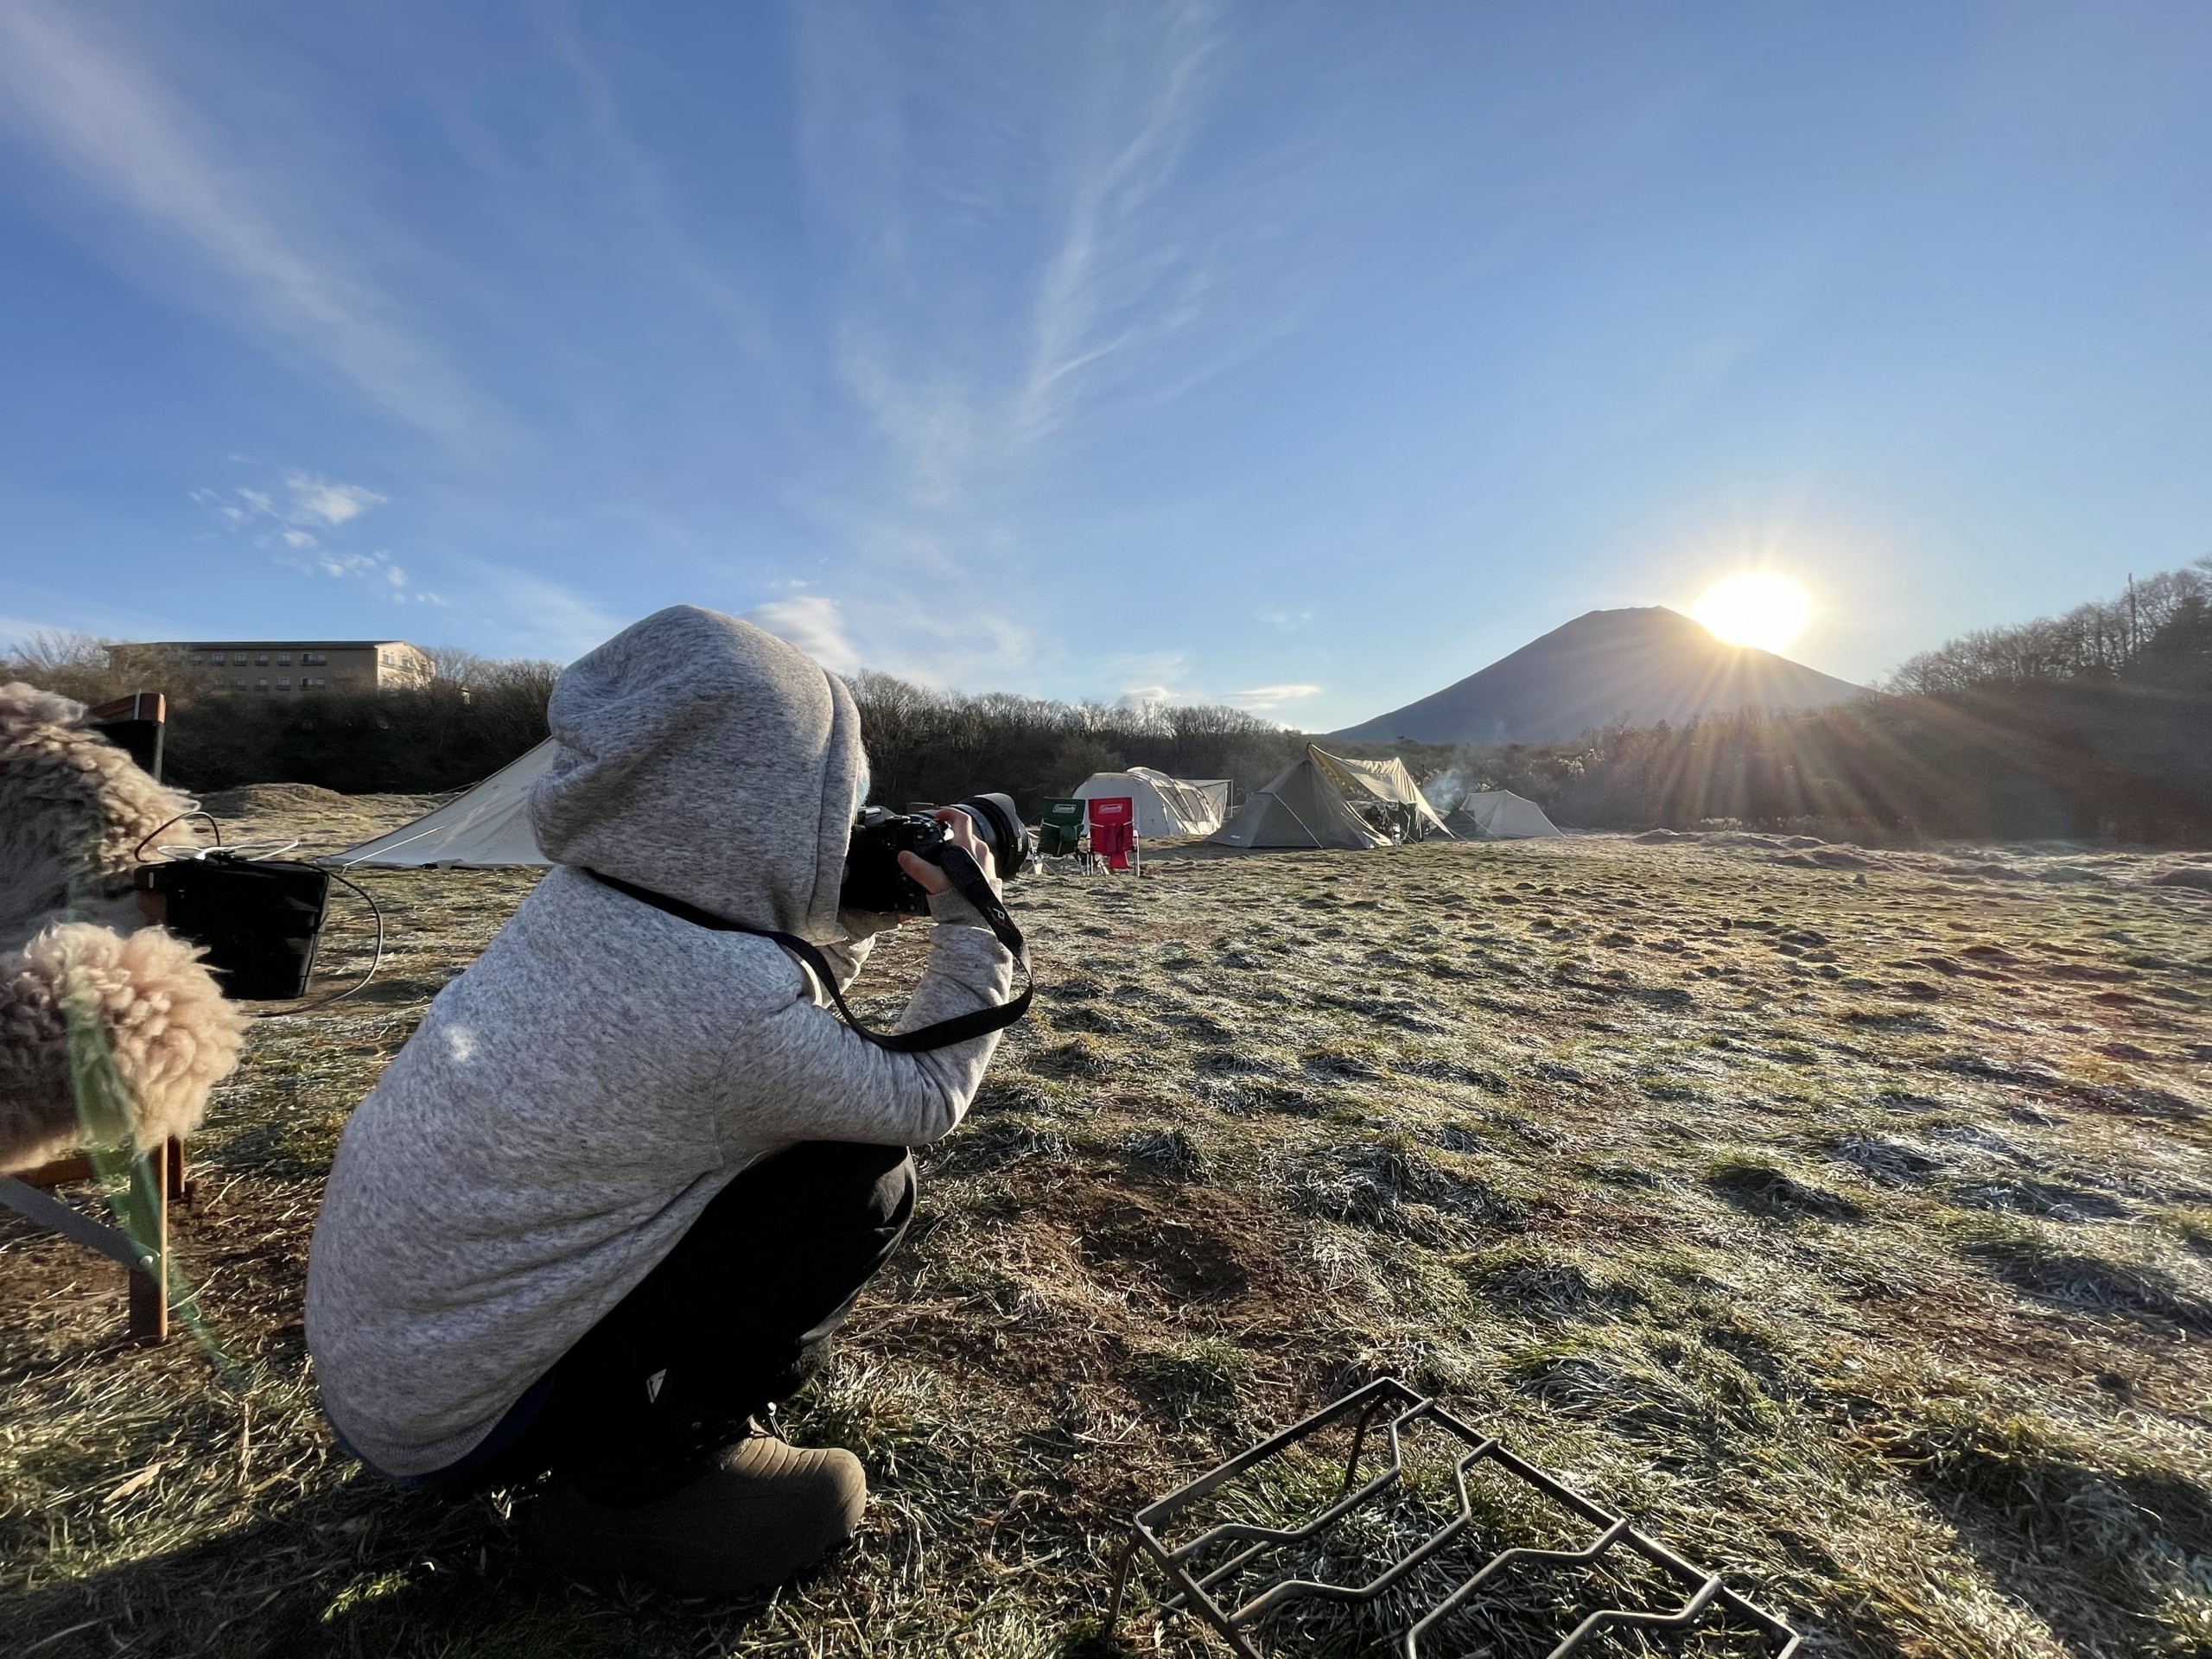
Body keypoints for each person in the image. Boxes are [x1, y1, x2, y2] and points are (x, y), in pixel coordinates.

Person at [305, 605, 1016, 1596]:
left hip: (388, 1374)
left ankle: (593, 1420)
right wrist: (975, 925)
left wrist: (844, 907)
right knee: (859, 1178)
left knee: (781, 1147)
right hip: (457, 1422)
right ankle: (639, 1484)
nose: (843, 823)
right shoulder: (717, 1009)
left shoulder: (587, 902)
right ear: (760, 799)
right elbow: (925, 1096)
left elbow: (759, 1006)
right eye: (833, 798)